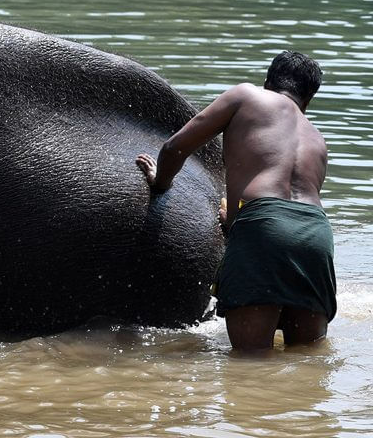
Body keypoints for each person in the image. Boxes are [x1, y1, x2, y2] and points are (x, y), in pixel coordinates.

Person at [135, 50, 336, 354]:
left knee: (250, 363)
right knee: (306, 359)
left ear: (268, 81)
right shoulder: (317, 139)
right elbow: (285, 205)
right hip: (317, 237)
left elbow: (175, 147)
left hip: (263, 227)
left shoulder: (246, 96)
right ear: (308, 99)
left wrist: (160, 181)